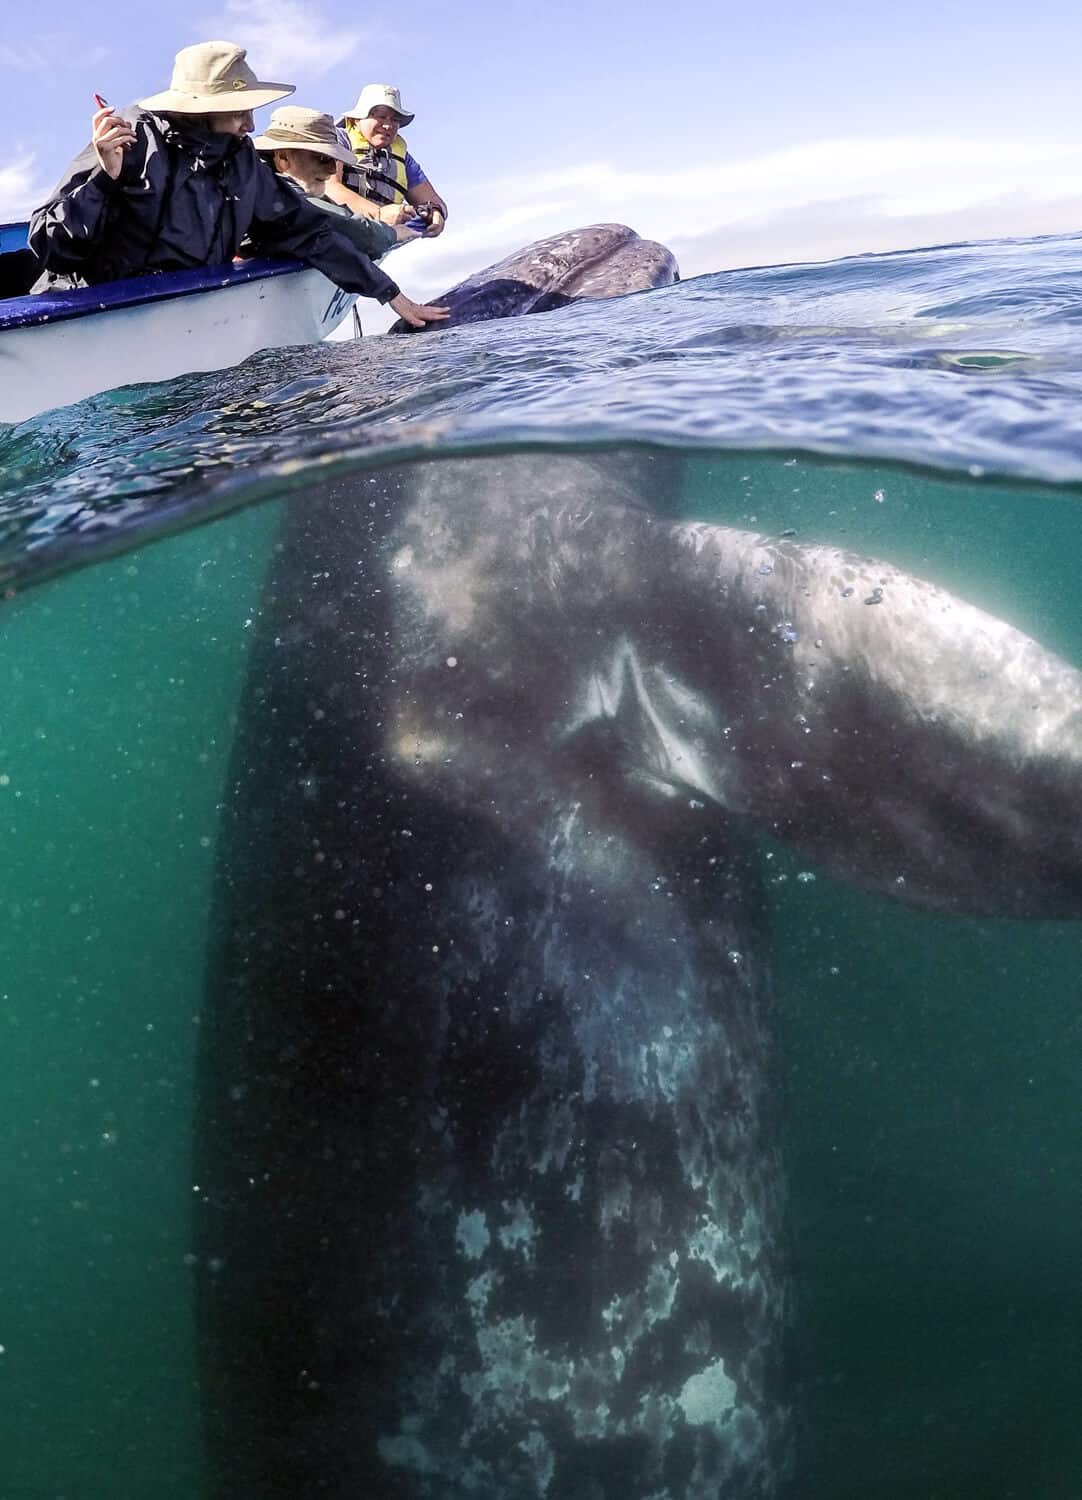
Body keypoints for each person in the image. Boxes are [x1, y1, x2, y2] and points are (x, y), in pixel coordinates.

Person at [28, 41, 448, 329]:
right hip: (93, 311)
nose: (250, 125)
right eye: (238, 111)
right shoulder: (129, 139)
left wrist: (389, 294)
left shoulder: (242, 160)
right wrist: (105, 178)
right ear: (198, 110)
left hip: (189, 321)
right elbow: (50, 246)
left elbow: (306, 231)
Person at [253, 106, 413, 261]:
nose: (331, 170)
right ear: (283, 158)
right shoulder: (264, 189)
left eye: (333, 160)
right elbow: (327, 222)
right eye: (323, 159)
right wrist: (389, 234)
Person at [329, 84, 447, 236]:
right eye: (380, 116)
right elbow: (330, 187)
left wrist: (436, 212)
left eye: (395, 119)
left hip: (377, 241)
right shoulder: (338, 139)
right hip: (334, 233)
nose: (387, 125)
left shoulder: (403, 159)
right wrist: (379, 213)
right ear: (357, 119)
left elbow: (435, 202)